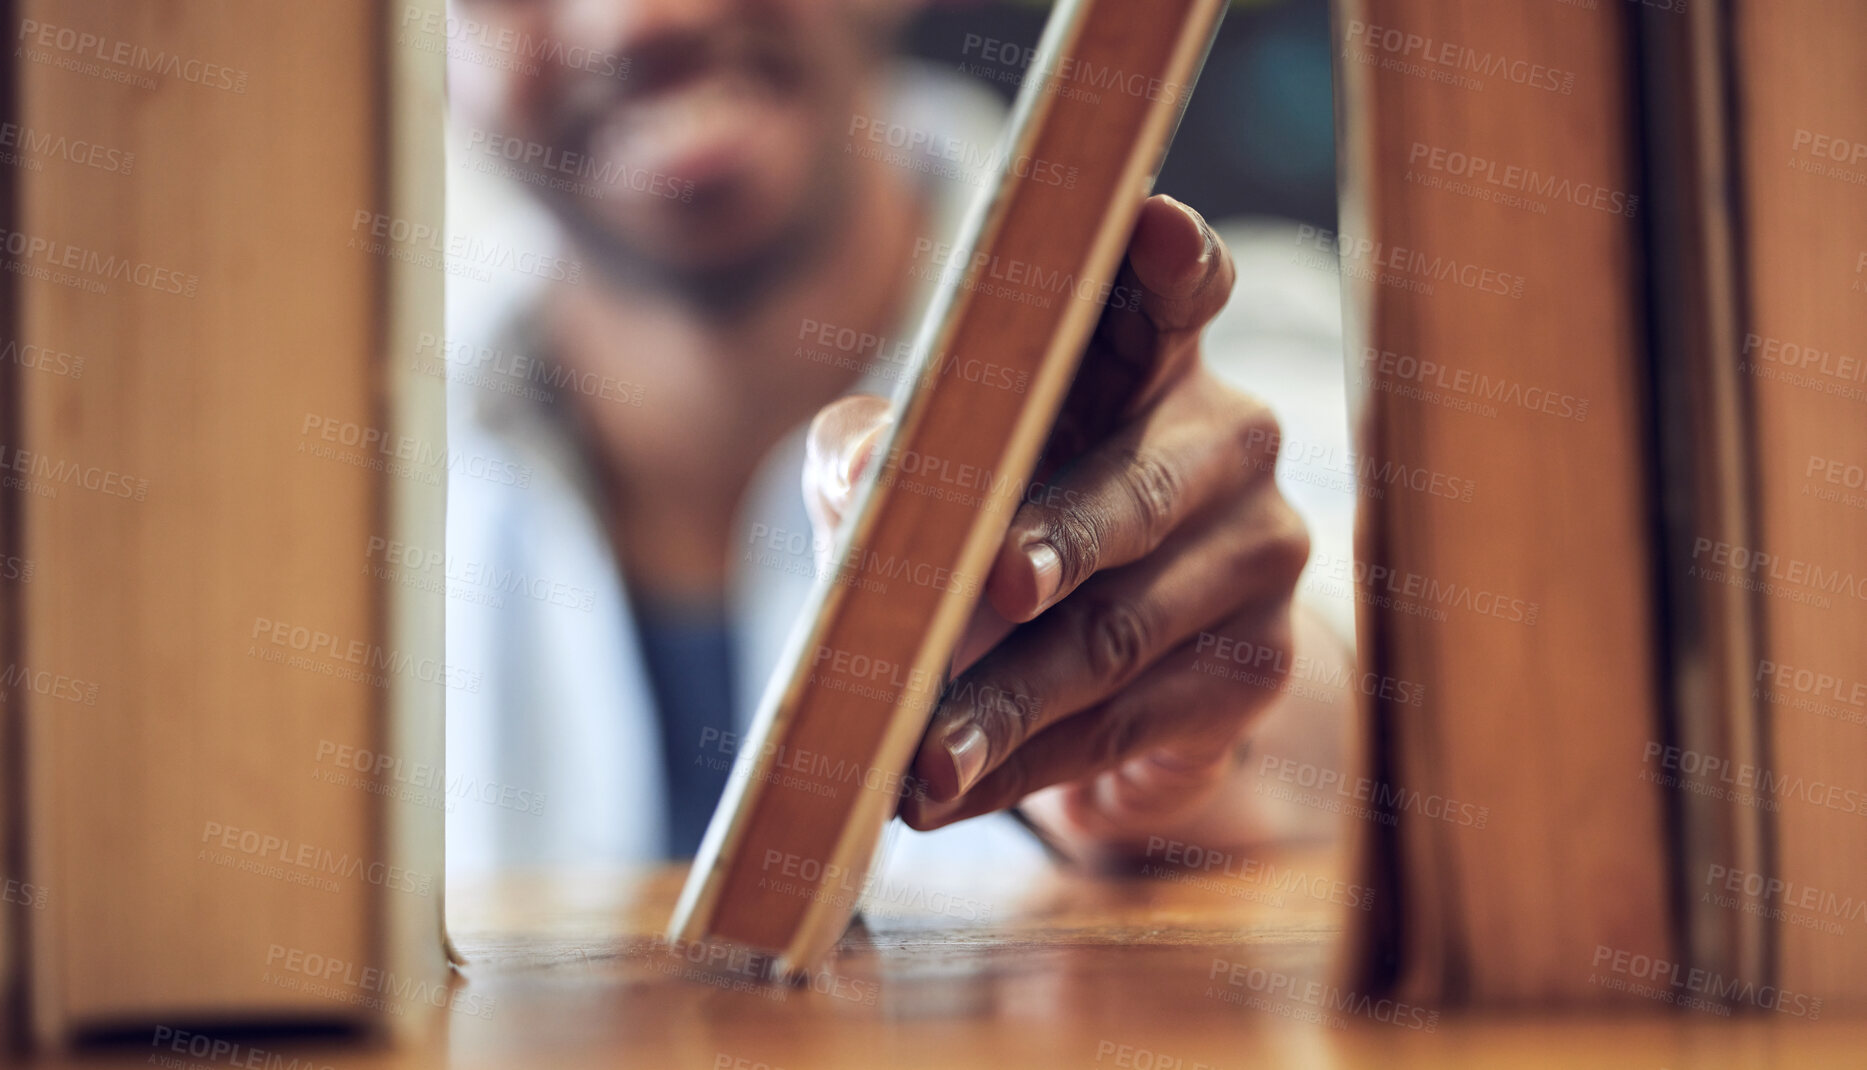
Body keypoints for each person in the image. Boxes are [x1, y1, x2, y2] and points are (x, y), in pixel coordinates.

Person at [439, 0, 1352, 882]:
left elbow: (1369, 672)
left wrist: (1190, 722)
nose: (641, 18)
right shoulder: (352, 468)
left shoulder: (1257, 345)